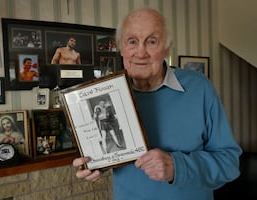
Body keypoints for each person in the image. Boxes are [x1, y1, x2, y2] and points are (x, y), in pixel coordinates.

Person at [72, 8, 242, 200]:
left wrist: (177, 167)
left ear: (167, 48)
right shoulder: (107, 93)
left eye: (152, 41)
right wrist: (94, 163)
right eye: (132, 41)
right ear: (121, 48)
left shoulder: (199, 88)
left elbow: (229, 163)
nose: (141, 52)